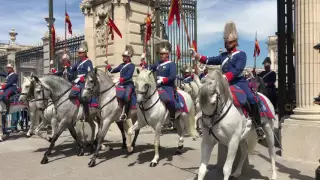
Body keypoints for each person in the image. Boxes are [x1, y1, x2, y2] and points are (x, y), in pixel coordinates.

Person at [189, 21, 266, 140]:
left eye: (230, 42)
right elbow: (209, 60)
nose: (227, 44)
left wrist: (226, 76)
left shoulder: (241, 54)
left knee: (251, 99)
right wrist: (196, 55)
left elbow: (238, 69)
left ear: (235, 42)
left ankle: (257, 125)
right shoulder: (223, 56)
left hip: (239, 82)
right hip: (225, 83)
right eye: (226, 42)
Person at [140, 46, 177, 122]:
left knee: (170, 101)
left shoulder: (171, 64)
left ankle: (172, 117)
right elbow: (149, 68)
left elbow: (172, 77)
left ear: (167, 55)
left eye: (163, 54)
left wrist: (163, 80)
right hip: (158, 86)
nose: (161, 55)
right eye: (160, 54)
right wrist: (143, 60)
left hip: (167, 86)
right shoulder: (158, 63)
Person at [66, 41, 93, 121]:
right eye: (78, 53)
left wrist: (84, 78)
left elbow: (90, 73)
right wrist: (69, 69)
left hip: (85, 82)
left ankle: (86, 113)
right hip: (78, 81)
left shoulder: (88, 62)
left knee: (83, 96)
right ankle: (77, 108)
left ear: (85, 53)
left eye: (80, 53)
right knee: (71, 94)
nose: (79, 54)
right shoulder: (79, 62)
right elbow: (72, 69)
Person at [106, 50, 135, 121]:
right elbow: (113, 71)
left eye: (125, 56)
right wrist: (108, 65)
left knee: (126, 96)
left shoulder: (131, 65)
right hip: (121, 84)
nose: (123, 57)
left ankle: (125, 113)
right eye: (123, 56)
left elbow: (129, 75)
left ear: (128, 57)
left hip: (128, 84)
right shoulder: (121, 65)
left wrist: (123, 79)